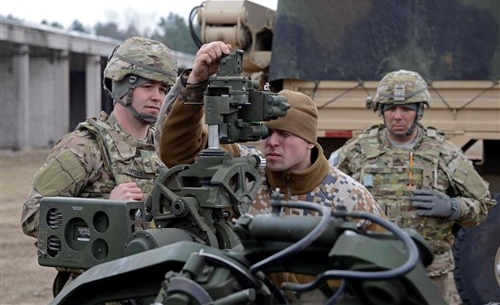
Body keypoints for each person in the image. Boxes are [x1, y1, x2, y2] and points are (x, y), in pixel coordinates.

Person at [155, 41, 388, 296]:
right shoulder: (244, 173)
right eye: (267, 132)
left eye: (285, 134)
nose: (272, 142)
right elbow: (178, 152)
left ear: (310, 140)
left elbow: (388, 266)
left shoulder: (349, 197)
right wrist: (196, 84)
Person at [21, 36, 178, 294]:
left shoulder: (166, 149)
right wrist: (107, 211)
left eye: (163, 89)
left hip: (155, 287)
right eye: (148, 86)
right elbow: (33, 216)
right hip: (100, 291)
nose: (157, 97)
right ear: (122, 87)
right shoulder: (85, 147)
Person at [329, 69, 496, 302]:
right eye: (390, 108)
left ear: (419, 112)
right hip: (371, 266)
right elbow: (322, 191)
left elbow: (483, 205)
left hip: (428, 272)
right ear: (381, 111)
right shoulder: (356, 151)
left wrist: (452, 207)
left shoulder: (444, 154)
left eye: (406, 109)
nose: (398, 116)